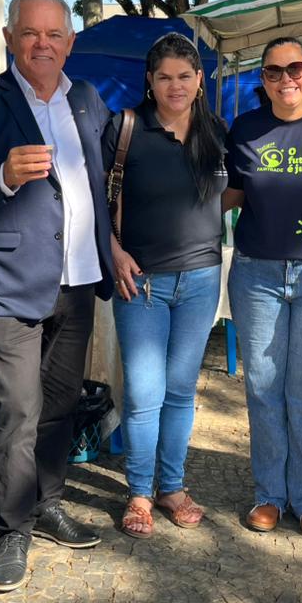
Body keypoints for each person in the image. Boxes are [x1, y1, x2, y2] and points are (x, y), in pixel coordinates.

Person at [0, 0, 113, 593]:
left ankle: (48, 501)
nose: (43, 44)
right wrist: (3, 176)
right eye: (30, 33)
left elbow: (100, 183)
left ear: (70, 41)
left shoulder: (87, 100)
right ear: (10, 38)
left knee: (61, 402)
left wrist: (113, 248)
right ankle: (13, 526)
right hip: (11, 282)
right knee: (17, 409)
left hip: (78, 277)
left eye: (54, 34)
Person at [225, 37, 302, 540]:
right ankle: (269, 496)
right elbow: (230, 192)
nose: (286, 79)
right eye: (274, 71)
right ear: (263, 79)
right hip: (257, 273)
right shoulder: (246, 128)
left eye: (295, 68)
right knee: (262, 389)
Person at [103, 33, 227, 538]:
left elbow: (231, 193)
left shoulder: (216, 131)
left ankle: (171, 487)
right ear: (149, 82)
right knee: (144, 392)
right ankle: (138, 492)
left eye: (184, 76)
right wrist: (113, 252)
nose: (175, 86)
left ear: (199, 81)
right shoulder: (125, 127)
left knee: (179, 391)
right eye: (164, 77)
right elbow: (95, 198)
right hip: (142, 283)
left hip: (201, 280)